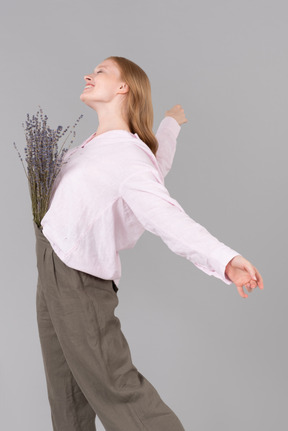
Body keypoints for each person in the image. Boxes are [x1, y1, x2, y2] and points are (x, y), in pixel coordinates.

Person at [34, 56, 264, 431]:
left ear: (123, 88)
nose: (89, 75)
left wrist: (223, 259)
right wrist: (170, 124)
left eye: (102, 71)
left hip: (78, 279)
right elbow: (159, 165)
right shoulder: (95, 146)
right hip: (52, 270)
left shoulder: (127, 156)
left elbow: (166, 216)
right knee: (67, 397)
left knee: (116, 389)